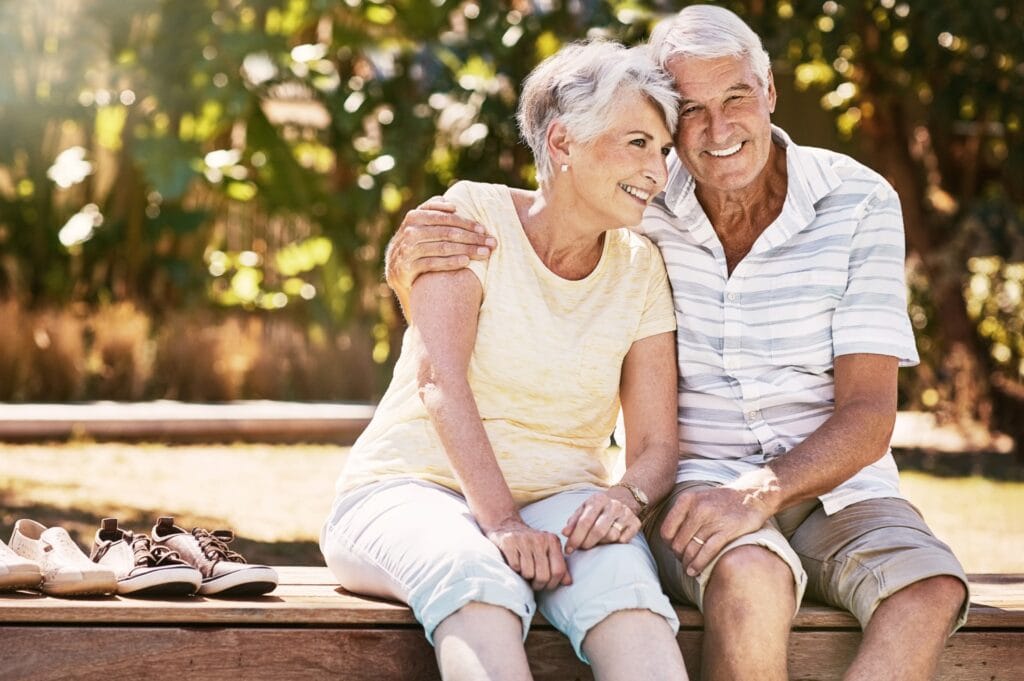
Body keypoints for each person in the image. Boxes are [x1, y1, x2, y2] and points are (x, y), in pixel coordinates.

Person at [384, 6, 970, 681]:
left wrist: (762, 491)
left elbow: (870, 414)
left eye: (737, 97)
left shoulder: (859, 201)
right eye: (690, 111)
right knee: (752, 575)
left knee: (930, 589)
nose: (717, 131)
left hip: (841, 482)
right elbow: (553, 210)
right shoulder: (646, 198)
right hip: (699, 483)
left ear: (770, 91)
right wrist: (415, 256)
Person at [321, 40, 689, 681]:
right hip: (413, 488)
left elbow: (656, 443)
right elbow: (441, 383)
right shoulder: (470, 218)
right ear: (564, 143)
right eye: (637, 143)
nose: (658, 171)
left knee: (630, 597)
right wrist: (504, 523)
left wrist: (625, 498)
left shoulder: (640, 267)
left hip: (564, 502)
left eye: (662, 150)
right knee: (477, 579)